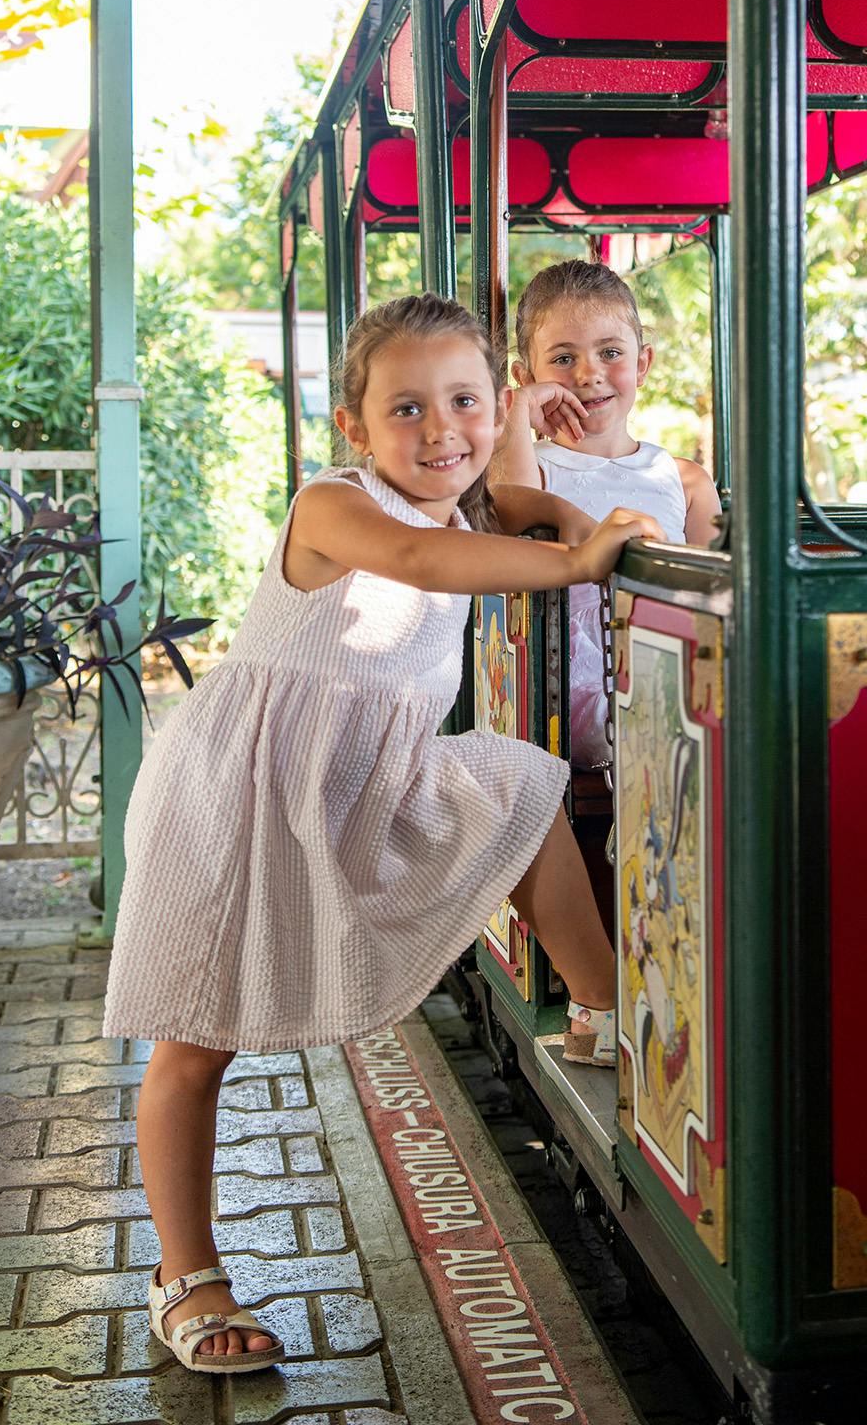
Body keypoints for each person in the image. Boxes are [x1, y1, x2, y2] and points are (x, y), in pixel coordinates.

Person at [102, 294, 658, 1375]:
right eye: (406, 408)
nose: (439, 429)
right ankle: (186, 1272)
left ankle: (603, 1010)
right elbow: (428, 564)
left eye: (462, 402)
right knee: (191, 1038)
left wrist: (525, 413)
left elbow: (502, 492)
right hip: (241, 790)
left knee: (518, 791)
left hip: (364, 778)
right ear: (352, 428)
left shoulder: (465, 497)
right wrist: (577, 559)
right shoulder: (334, 504)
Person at [493, 258, 720, 767]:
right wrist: (516, 418)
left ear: (642, 363)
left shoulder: (685, 481)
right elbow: (509, 515)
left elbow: (716, 609)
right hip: (555, 718)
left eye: (610, 352)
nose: (589, 374)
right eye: (563, 359)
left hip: (667, 705)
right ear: (527, 378)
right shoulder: (531, 472)